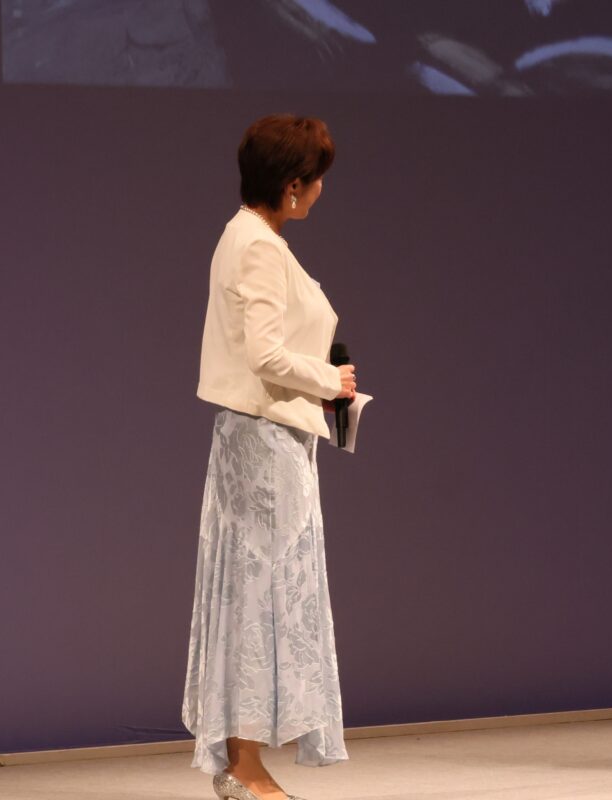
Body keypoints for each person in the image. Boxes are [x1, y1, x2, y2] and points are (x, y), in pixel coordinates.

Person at [184, 114, 357, 800]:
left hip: (263, 437)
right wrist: (329, 380)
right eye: (316, 180)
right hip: (263, 442)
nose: (320, 191)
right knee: (261, 598)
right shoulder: (256, 245)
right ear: (292, 183)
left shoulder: (250, 236)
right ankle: (246, 767)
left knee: (255, 595)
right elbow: (264, 353)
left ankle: (243, 764)